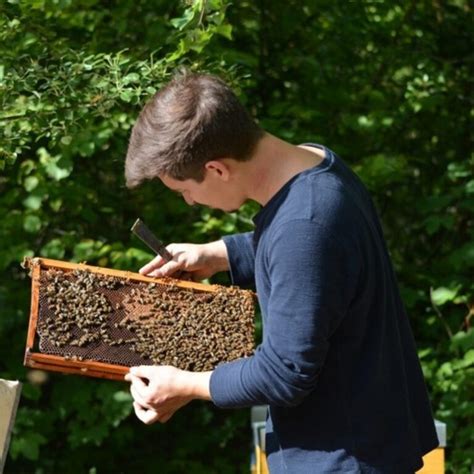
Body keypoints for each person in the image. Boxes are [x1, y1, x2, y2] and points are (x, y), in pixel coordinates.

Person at [123, 72, 438, 473]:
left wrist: (183, 385)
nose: (189, 203)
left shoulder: (304, 226)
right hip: (366, 442)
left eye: (184, 190)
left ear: (217, 169)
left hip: (344, 460)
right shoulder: (315, 165)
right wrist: (218, 254)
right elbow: (314, 258)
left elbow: (284, 372)